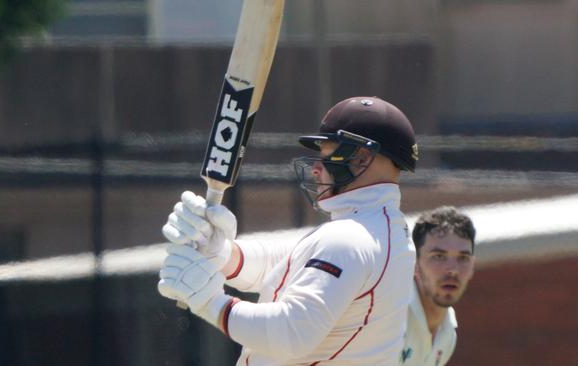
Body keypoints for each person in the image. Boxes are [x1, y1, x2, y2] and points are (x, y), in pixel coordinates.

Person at [159, 96, 420, 365]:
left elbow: (291, 334)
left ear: (362, 157)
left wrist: (208, 301)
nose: (317, 168)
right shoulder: (383, 230)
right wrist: (221, 253)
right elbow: (285, 266)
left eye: (329, 153)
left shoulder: (349, 239)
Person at [400, 207, 476, 366]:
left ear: (472, 266)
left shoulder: (448, 336)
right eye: (439, 256)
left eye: (463, 258)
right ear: (414, 263)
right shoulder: (390, 315)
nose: (453, 270)